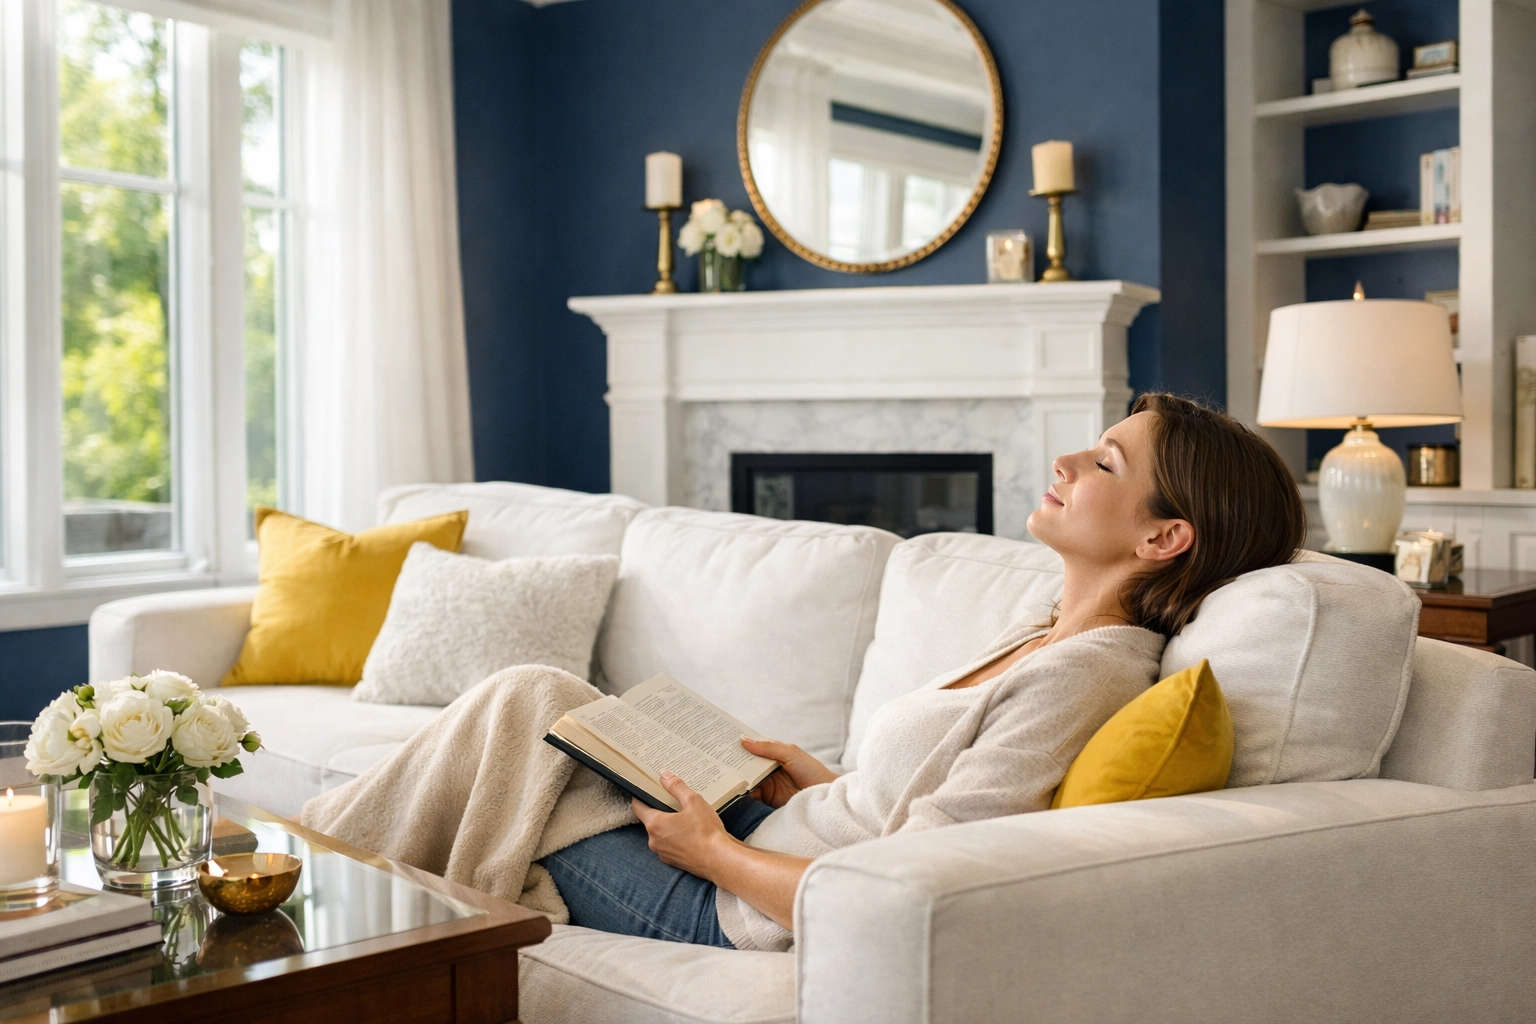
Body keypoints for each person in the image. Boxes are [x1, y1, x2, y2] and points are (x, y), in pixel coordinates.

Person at [537, 393, 1308, 951]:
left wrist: (712, 855)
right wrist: (819, 782)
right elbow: (916, 804)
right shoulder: (1045, 630)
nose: (1065, 462)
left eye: (1104, 463)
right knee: (547, 701)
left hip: (750, 908)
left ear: (1164, 537)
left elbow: (907, 887)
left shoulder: (1085, 677)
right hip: (777, 832)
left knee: (521, 727)